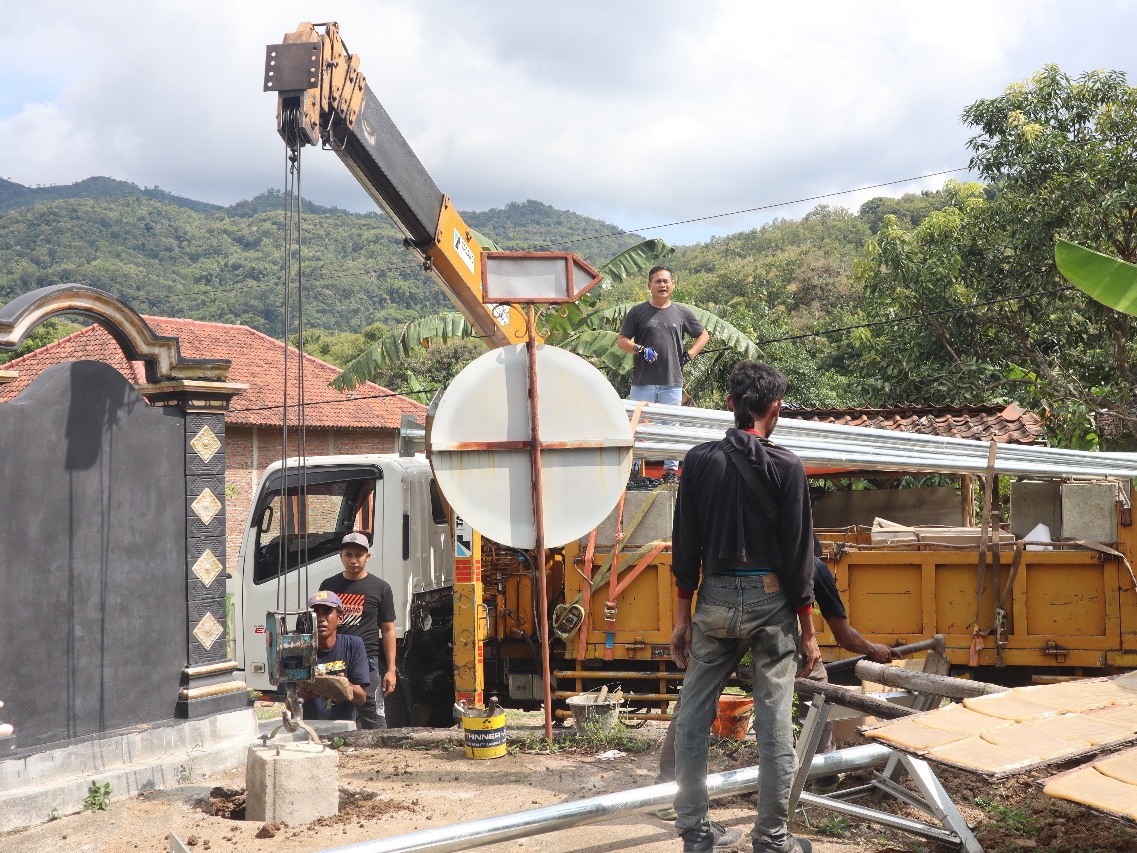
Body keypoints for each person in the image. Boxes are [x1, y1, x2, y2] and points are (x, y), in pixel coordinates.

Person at [670, 361, 819, 853]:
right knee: (775, 720)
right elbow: (800, 558)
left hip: (712, 597)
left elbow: (684, 545)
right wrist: (810, 631)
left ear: (731, 405)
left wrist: (679, 618)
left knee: (693, 714)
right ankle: (772, 838)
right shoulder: (788, 466)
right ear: (773, 409)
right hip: (771, 600)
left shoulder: (697, 461)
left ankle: (695, 832)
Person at [654, 549, 903, 803]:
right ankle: (823, 773)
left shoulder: (737, 552)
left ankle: (666, 789)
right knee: (814, 684)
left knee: (697, 695)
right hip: (774, 615)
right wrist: (873, 649)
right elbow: (844, 636)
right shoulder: (814, 567)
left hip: (724, 601)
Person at [618, 265, 710, 484]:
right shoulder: (638, 312)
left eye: (666, 281)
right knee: (638, 427)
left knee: (671, 427)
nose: (662, 285)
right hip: (643, 382)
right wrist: (640, 349)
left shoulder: (682, 312)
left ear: (673, 284)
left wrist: (689, 355)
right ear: (649, 285)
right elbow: (622, 341)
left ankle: (670, 472)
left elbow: (703, 335)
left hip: (672, 381)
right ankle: (633, 471)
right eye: (657, 281)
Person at [319, 532, 397, 728]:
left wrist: (391, 669)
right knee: (333, 711)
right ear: (341, 556)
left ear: (367, 557)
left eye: (359, 555)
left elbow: (388, 630)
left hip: (367, 658)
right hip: (335, 658)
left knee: (372, 712)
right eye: (349, 555)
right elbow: (319, 621)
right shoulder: (329, 586)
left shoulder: (381, 588)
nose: (354, 560)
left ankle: (379, 755)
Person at [298, 590, 370, 721]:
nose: (320, 618)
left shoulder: (354, 645)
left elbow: (361, 699)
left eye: (327, 611)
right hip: (306, 728)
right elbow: (288, 704)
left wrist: (345, 686)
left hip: (342, 727)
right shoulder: (296, 648)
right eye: (315, 613)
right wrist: (303, 693)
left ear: (340, 618)